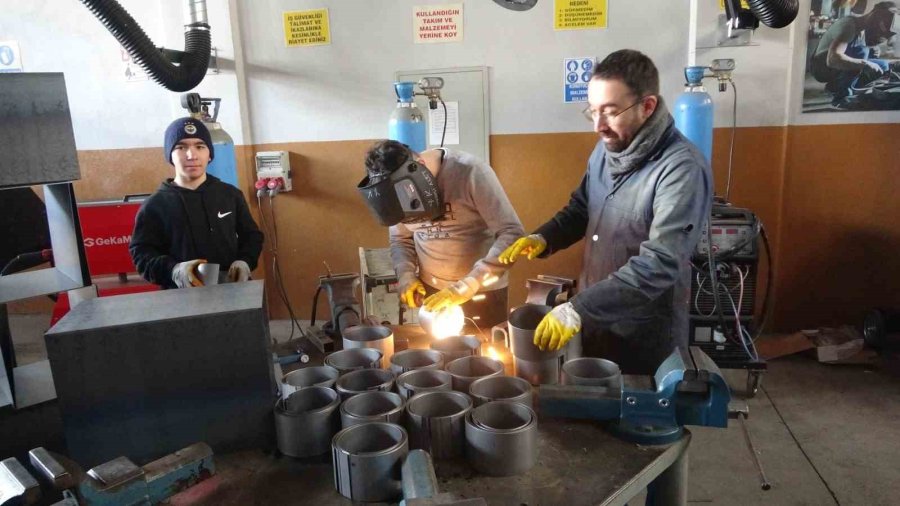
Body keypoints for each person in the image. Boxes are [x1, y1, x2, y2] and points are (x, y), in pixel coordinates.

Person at [499, 49, 712, 375]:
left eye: (610, 112)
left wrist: (578, 309)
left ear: (647, 106)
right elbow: (582, 207)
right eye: (593, 111)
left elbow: (660, 263)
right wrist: (545, 237)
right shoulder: (607, 148)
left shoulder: (680, 169)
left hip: (643, 335)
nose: (599, 126)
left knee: (641, 421)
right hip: (596, 321)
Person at [357, 140, 525, 328]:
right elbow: (400, 238)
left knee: (486, 351)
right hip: (432, 290)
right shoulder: (392, 191)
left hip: (482, 290)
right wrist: (406, 275)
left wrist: (468, 285)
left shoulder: (470, 172)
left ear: (420, 166)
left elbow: (512, 233)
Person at [130, 117, 264, 289]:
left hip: (233, 292)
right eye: (181, 147)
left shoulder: (230, 195)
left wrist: (245, 261)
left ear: (209, 154)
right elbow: (142, 254)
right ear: (170, 155)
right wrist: (174, 270)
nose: (192, 155)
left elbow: (252, 236)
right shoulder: (155, 205)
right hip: (181, 299)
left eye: (200, 146)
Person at [811, 2, 898, 104]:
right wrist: (864, 63)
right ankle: (842, 97)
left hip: (830, 65)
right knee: (861, 52)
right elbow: (832, 59)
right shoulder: (849, 26)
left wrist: (871, 51)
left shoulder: (861, 27)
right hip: (820, 66)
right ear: (874, 15)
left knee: (883, 65)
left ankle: (834, 86)